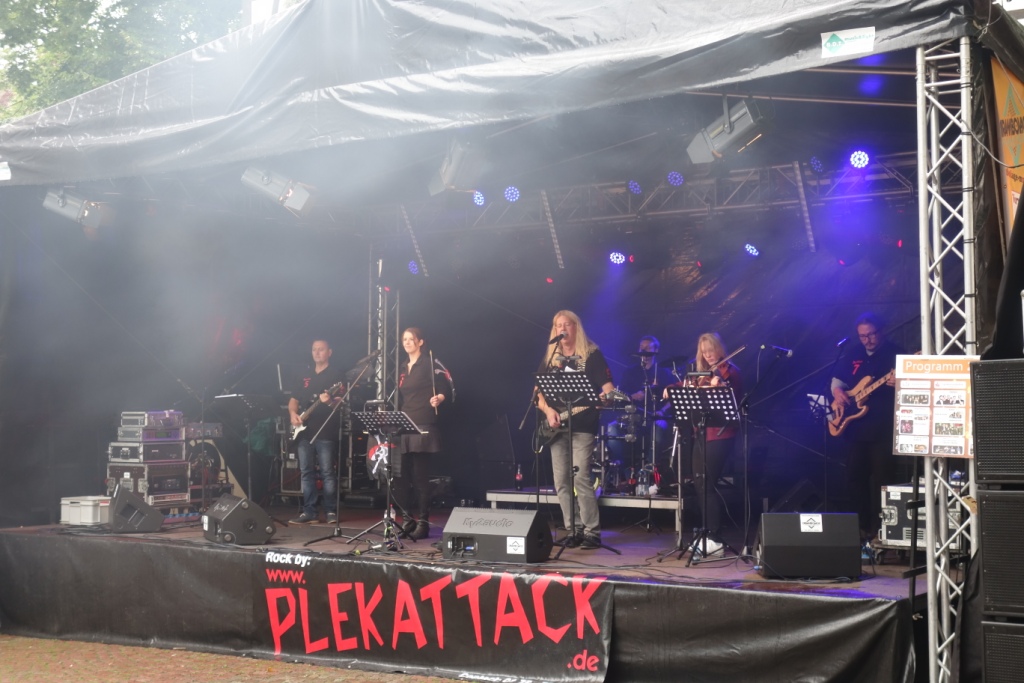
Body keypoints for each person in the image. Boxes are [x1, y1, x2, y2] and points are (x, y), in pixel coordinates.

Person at [536, 310, 615, 550]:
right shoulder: (552, 357)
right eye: (558, 325)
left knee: (580, 476)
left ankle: (592, 532)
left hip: (583, 425)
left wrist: (606, 399)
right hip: (556, 426)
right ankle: (573, 529)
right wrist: (548, 411)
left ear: (576, 327)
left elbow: (609, 390)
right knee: (561, 480)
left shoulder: (591, 355)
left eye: (567, 324)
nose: (562, 329)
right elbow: (537, 393)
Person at [664, 332, 741, 555]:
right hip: (701, 434)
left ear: (719, 349)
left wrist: (719, 385)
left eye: (711, 350)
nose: (708, 355)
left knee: (707, 483)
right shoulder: (701, 374)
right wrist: (672, 387)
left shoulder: (731, 372)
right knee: (699, 483)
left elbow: (732, 393)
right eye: (704, 352)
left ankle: (715, 537)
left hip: (721, 434)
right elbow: (685, 383)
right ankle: (707, 534)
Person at [831, 312, 905, 541]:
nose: (867, 340)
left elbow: (915, 384)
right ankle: (861, 528)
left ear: (881, 331)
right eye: (862, 336)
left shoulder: (897, 353)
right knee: (854, 478)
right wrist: (838, 393)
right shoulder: (853, 353)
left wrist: (902, 381)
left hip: (883, 428)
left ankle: (885, 531)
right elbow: (837, 380)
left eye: (871, 334)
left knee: (884, 481)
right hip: (856, 428)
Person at [393, 327, 453, 541]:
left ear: (420, 342)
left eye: (411, 339)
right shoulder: (403, 367)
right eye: (404, 339)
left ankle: (423, 522)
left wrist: (440, 398)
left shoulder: (429, 362)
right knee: (400, 476)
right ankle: (407, 519)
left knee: (420, 477)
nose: (407, 342)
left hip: (423, 422)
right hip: (405, 422)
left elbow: (446, 384)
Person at [288, 338, 345, 524]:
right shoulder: (304, 375)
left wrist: (329, 401)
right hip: (304, 432)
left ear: (329, 352)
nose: (317, 352)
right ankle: (309, 512)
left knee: (327, 472)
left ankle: (330, 511)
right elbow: (294, 400)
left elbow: (340, 403)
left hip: (326, 429)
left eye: (321, 349)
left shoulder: (336, 375)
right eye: (314, 349)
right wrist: (293, 414)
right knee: (306, 472)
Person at [616, 335, 675, 481]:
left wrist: (662, 411)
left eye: (648, 348)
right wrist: (632, 396)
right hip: (633, 416)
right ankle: (624, 470)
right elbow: (619, 395)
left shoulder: (664, 373)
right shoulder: (630, 372)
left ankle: (648, 471)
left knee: (658, 431)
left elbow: (674, 399)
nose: (644, 351)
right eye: (641, 348)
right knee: (612, 430)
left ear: (656, 350)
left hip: (656, 416)